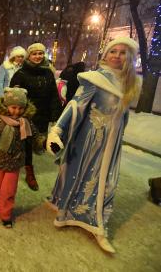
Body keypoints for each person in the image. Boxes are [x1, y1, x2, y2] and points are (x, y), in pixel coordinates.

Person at [46, 37, 141, 253]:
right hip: (90, 140)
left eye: (122, 52)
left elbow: (122, 117)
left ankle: (95, 219)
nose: (117, 55)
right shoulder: (96, 79)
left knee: (105, 181)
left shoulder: (131, 83)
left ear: (130, 56)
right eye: (113, 51)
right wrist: (57, 130)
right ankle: (91, 223)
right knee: (82, 176)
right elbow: (75, 106)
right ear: (106, 55)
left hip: (112, 143)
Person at [0, 87, 41, 228]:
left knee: (8, 191)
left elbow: (35, 136)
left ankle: (5, 215)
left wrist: (43, 142)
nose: (17, 111)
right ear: (6, 105)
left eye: (21, 108)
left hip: (14, 162)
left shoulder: (25, 122)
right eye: (14, 107)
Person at [10, 43, 62, 191]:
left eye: (41, 53)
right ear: (29, 56)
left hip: (43, 115)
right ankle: (29, 171)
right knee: (25, 144)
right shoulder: (21, 74)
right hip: (26, 116)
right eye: (34, 54)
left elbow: (53, 95)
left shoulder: (48, 73)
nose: (38, 56)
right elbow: (14, 97)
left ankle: (24, 163)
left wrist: (55, 114)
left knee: (36, 143)